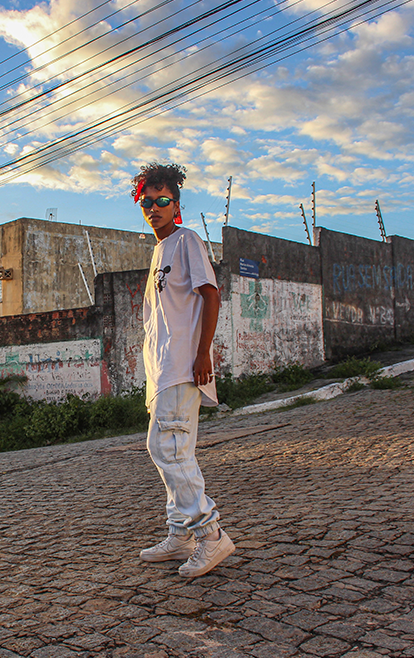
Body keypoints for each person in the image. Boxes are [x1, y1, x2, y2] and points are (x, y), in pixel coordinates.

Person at [133, 162, 235, 578]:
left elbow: (211, 295)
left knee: (169, 450)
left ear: (176, 205)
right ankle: (180, 535)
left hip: (182, 365)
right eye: (147, 201)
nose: (153, 207)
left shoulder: (186, 240)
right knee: (173, 451)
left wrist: (202, 353)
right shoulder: (159, 251)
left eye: (162, 200)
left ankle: (210, 535)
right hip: (163, 371)